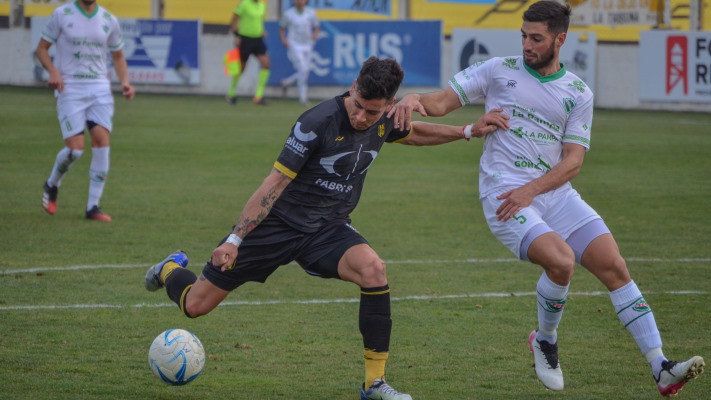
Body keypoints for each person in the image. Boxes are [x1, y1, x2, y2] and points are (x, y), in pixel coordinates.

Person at [388, 1, 705, 397]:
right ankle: (546, 340)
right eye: (523, 36)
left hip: (551, 194)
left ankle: (660, 365)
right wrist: (413, 98)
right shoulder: (497, 69)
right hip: (503, 193)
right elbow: (440, 103)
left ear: (560, 40)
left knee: (615, 267)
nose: (527, 45)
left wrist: (533, 190)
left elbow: (573, 162)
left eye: (536, 38)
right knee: (561, 261)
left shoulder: (578, 93)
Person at [144, 56, 508, 399]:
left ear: (389, 103)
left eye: (373, 111)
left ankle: (374, 383)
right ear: (353, 87)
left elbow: (410, 132)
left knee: (374, 269)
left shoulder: (383, 117)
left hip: (326, 229)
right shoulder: (315, 122)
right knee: (195, 306)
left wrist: (466, 130)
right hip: (276, 225)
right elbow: (273, 184)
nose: (364, 117)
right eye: (358, 105)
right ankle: (171, 268)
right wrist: (236, 239)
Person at [36, 0, 135, 221]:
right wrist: (53, 71)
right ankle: (52, 184)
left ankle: (93, 207)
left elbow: (118, 55)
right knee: (75, 150)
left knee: (102, 142)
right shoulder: (62, 14)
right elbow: (41, 48)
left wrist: (125, 82)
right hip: (70, 87)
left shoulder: (109, 19)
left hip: (99, 88)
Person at [227, 0, 270, 106]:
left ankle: (258, 96)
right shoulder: (244, 3)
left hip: (257, 39)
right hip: (245, 39)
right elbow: (234, 19)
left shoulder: (261, 5)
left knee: (266, 63)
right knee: (241, 67)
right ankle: (231, 93)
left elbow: (258, 20)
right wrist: (236, 35)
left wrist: (262, 30)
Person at [279, 0, 320, 107]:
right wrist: (283, 39)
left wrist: (315, 34)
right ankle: (303, 99)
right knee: (303, 68)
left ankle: (286, 83)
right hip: (294, 45)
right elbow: (282, 28)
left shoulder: (311, 13)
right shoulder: (288, 14)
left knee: (305, 70)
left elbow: (316, 27)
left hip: (307, 45)